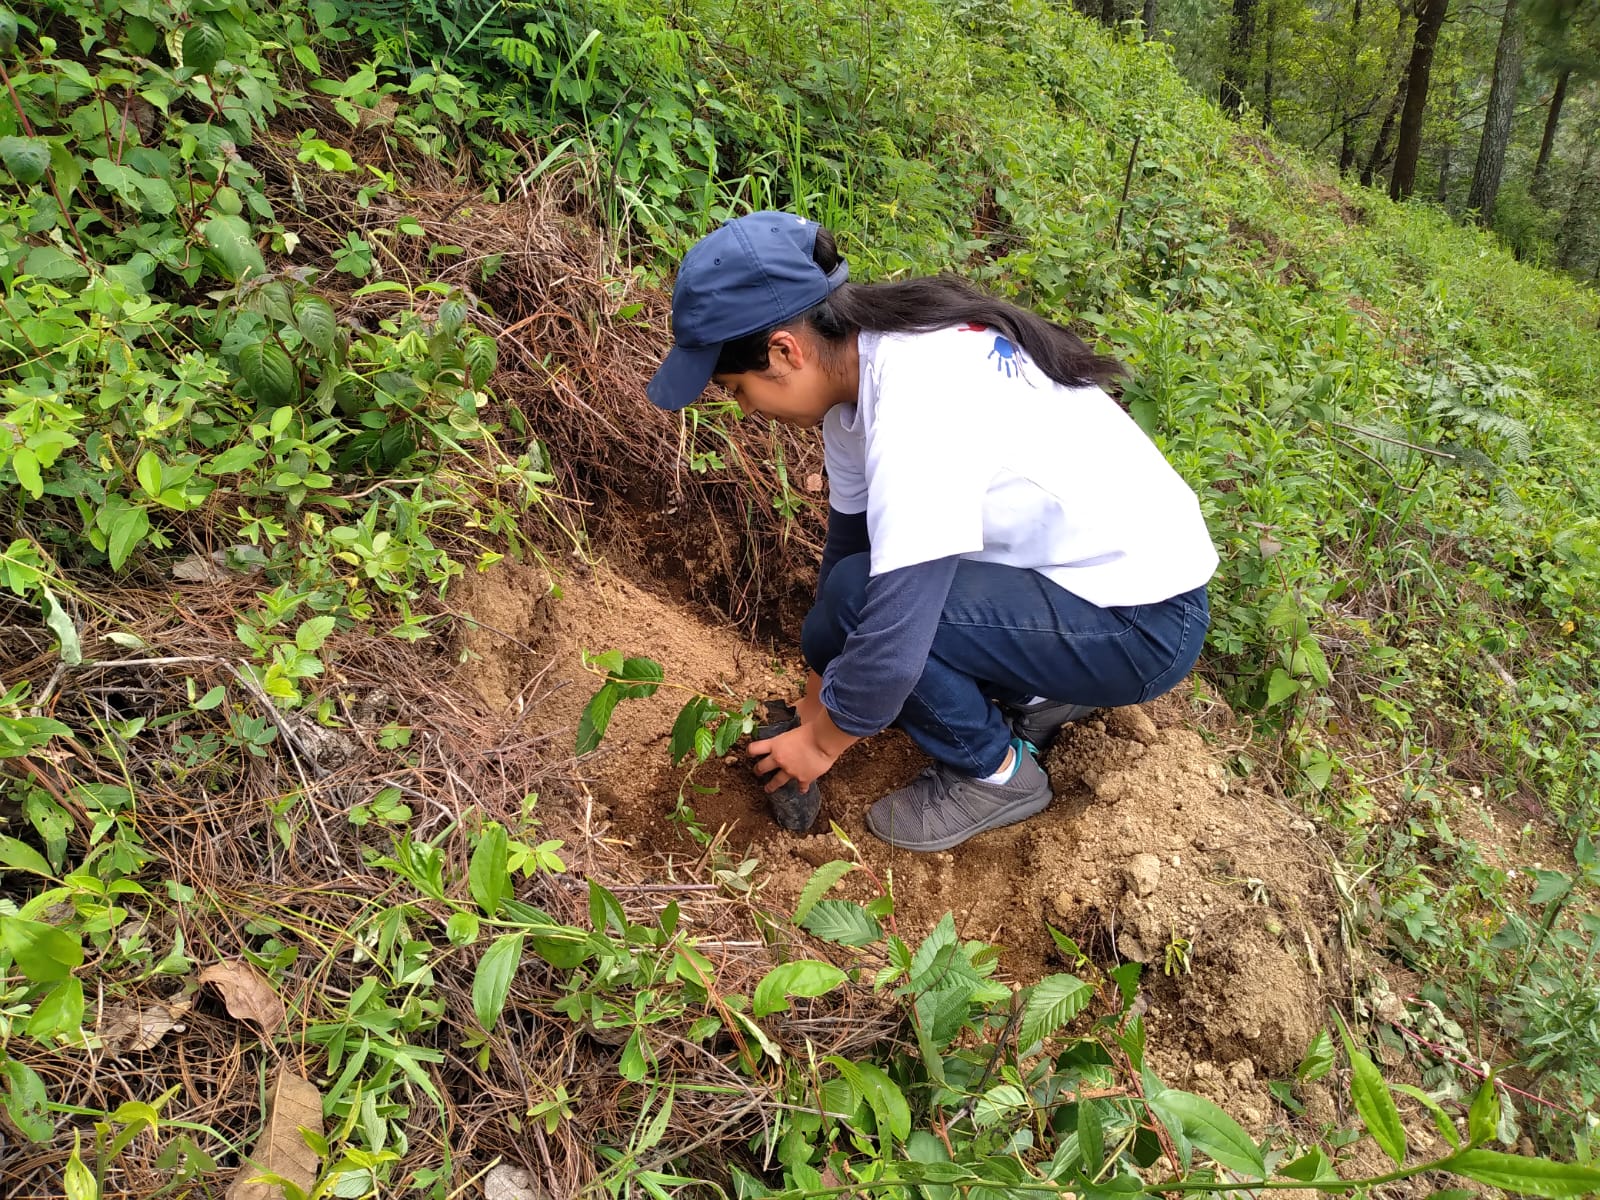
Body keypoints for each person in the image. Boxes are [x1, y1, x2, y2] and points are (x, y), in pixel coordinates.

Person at [646, 211, 1217, 852]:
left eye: (735, 388)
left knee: (882, 614)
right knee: (854, 588)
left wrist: (820, 742)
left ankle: (998, 773)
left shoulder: (919, 404)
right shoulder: (866, 378)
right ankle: (1040, 692)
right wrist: (816, 691)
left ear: (784, 351)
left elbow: (892, 639)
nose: (744, 408)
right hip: (1078, 583)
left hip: (1143, 625)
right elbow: (848, 557)